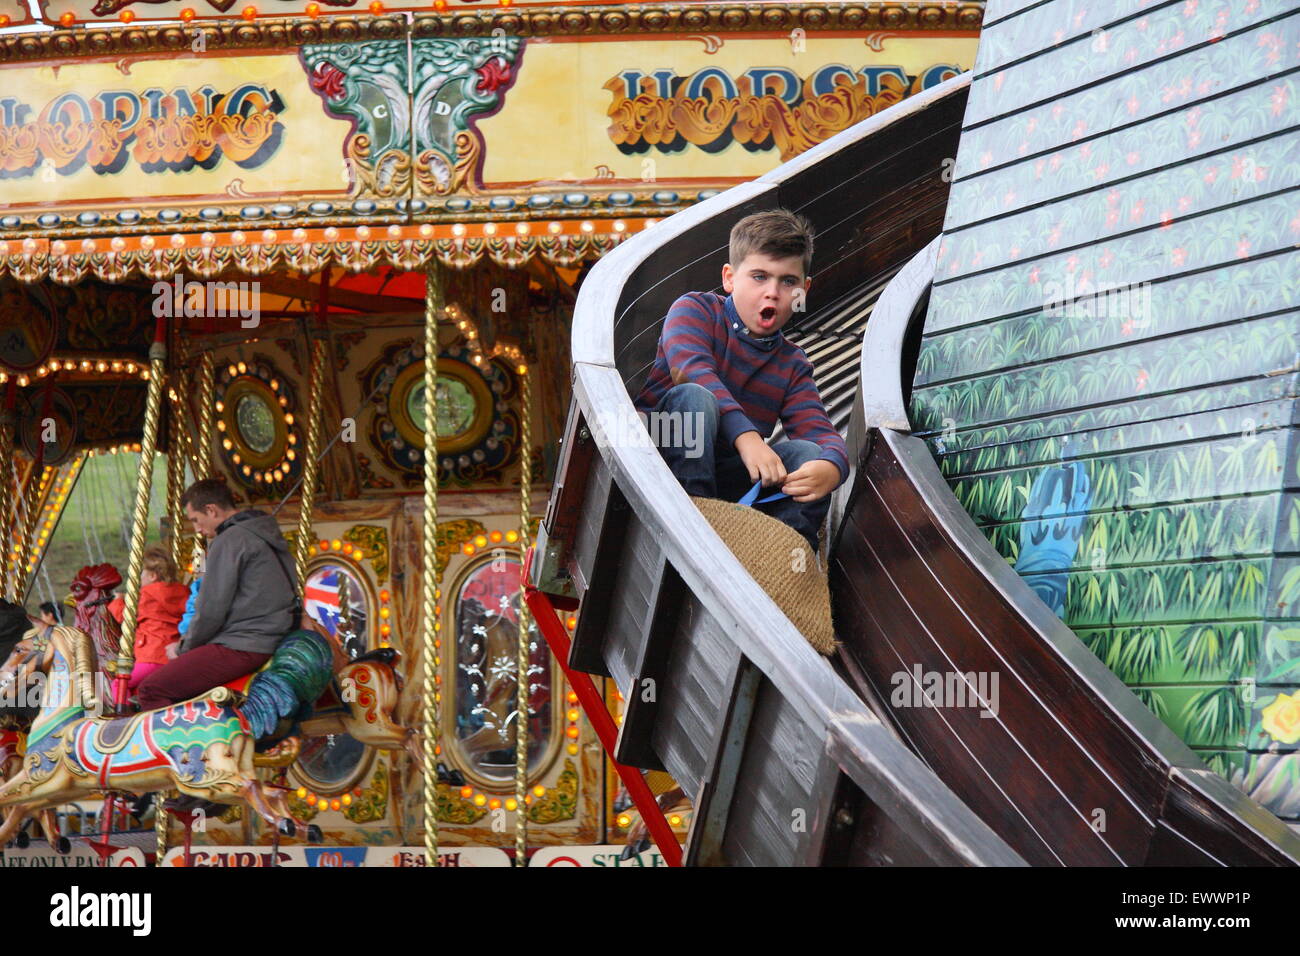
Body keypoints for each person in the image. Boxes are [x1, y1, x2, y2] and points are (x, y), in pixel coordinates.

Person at [633, 209, 848, 552]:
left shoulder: (792, 364)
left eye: (788, 281)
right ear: (730, 278)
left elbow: (820, 433)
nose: (773, 293)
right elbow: (692, 371)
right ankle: (695, 524)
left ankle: (786, 555)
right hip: (662, 462)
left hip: (728, 479)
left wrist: (832, 467)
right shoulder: (694, 310)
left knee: (808, 454)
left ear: (804, 290)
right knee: (695, 396)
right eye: (759, 277)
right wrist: (748, 438)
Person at [135, 478, 297, 713]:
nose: (198, 529)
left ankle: (186, 749)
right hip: (270, 636)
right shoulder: (264, 531)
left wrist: (182, 647)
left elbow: (211, 609)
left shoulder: (229, 540)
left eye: (196, 520)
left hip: (243, 643)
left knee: (151, 689)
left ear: (211, 510)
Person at [106, 546, 189, 693]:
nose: (138, 579)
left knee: (119, 685)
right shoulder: (182, 592)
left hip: (152, 656)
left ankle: (124, 716)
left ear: (153, 576)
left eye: (141, 574)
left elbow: (126, 619)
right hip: (172, 654)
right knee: (141, 689)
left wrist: (117, 601)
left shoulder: (147, 595)